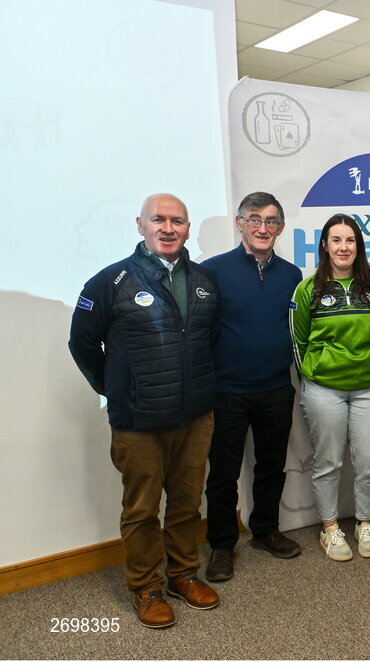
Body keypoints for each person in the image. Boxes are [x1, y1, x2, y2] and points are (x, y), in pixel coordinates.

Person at [69, 193, 220, 629]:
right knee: (141, 509)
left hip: (195, 417)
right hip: (138, 422)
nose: (168, 228)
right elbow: (82, 344)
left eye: (177, 221)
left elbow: (207, 342)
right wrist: (117, 389)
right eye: (159, 219)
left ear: (188, 229)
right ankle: (146, 587)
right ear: (141, 225)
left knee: (188, 504)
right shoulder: (110, 281)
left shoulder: (204, 281)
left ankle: (183, 576)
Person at [202, 192, 303, 583]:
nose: (264, 227)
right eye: (255, 219)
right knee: (223, 473)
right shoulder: (211, 271)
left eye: (272, 220)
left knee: (271, 466)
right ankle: (222, 545)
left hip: (276, 388)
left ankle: (265, 530)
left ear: (280, 227)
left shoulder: (292, 276)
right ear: (239, 223)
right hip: (226, 391)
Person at [292, 215, 370, 563]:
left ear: (359, 247)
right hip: (323, 389)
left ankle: (365, 524)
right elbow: (298, 341)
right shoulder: (308, 289)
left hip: (369, 387)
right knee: (329, 461)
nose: (343, 247)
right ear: (324, 245)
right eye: (336, 240)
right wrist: (311, 377)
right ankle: (330, 529)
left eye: (350, 240)